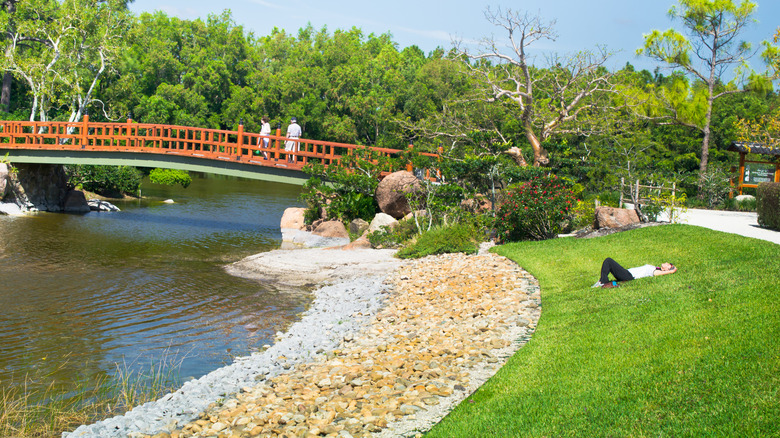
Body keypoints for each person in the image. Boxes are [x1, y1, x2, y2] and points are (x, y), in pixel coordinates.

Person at [592, 257, 677, 288]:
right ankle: (602, 281)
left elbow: (658, 274)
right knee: (608, 262)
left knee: (608, 261)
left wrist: (671, 271)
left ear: (666, 269)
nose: (667, 263)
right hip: (627, 273)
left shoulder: (656, 271)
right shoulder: (656, 268)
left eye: (668, 265)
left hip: (628, 276)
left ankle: (603, 281)